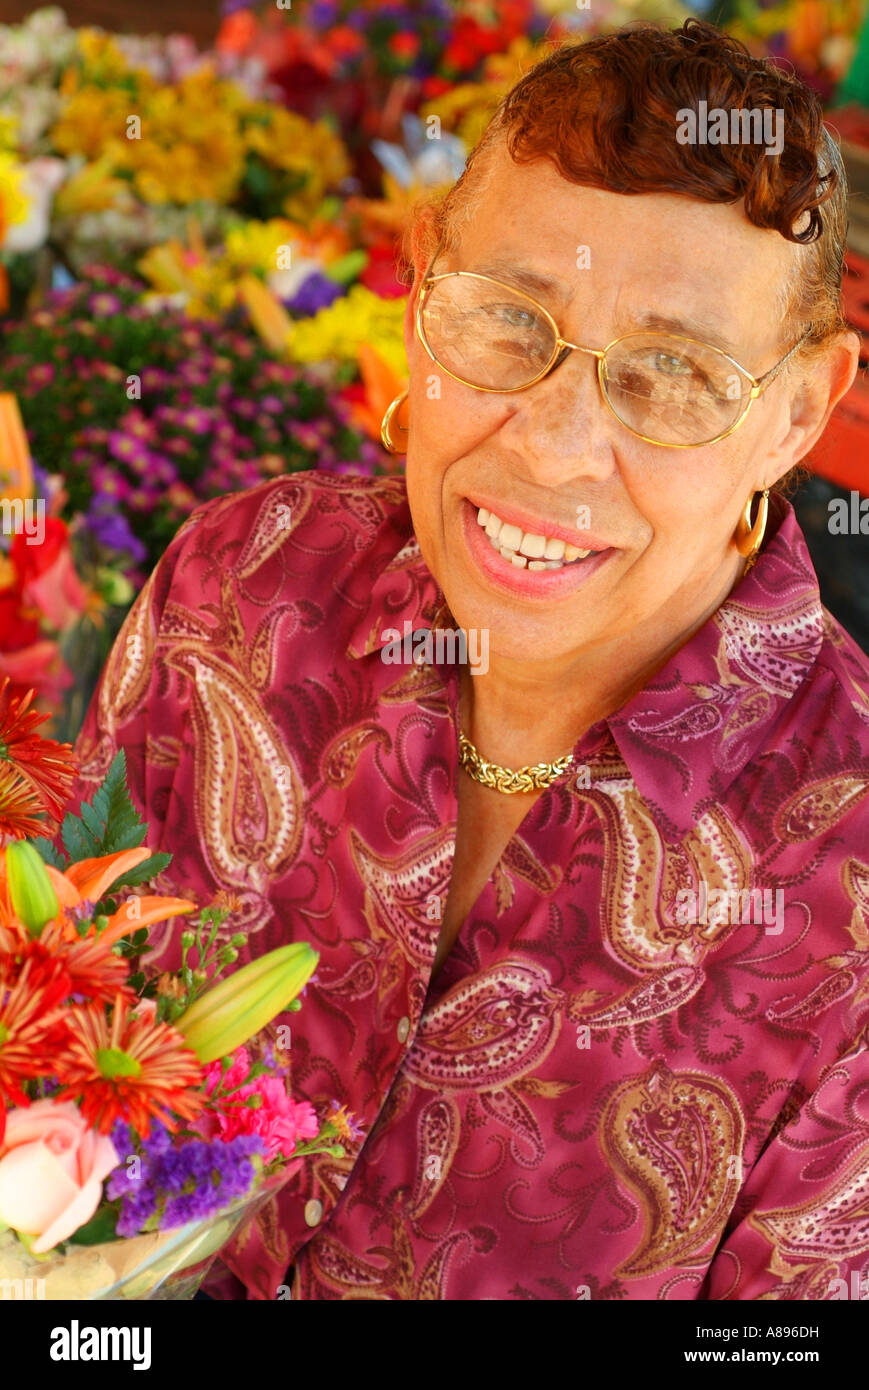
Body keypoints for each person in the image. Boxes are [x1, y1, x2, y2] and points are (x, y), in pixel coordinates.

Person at [65, 18, 869, 1300]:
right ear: (421, 277)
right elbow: (61, 1012)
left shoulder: (844, 895)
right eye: (508, 318)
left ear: (793, 410)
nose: (550, 447)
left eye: (669, 374)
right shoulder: (244, 582)